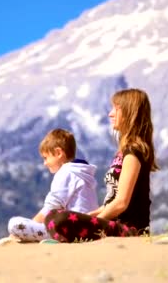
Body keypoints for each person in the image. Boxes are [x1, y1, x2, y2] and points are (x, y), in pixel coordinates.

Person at [44, 88, 159, 242]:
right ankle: (63, 236)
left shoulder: (134, 152)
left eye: (116, 109)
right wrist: (89, 217)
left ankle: (62, 236)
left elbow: (121, 203)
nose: (110, 114)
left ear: (130, 113)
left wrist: (95, 222)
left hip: (130, 229)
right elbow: (110, 202)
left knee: (57, 220)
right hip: (113, 223)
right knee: (53, 216)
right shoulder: (123, 152)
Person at [0, 128, 99, 244]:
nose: (45, 163)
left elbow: (51, 207)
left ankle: (53, 238)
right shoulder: (82, 172)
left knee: (15, 224)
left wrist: (26, 228)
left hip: (71, 229)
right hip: (88, 227)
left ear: (58, 153)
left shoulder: (65, 173)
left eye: (46, 158)